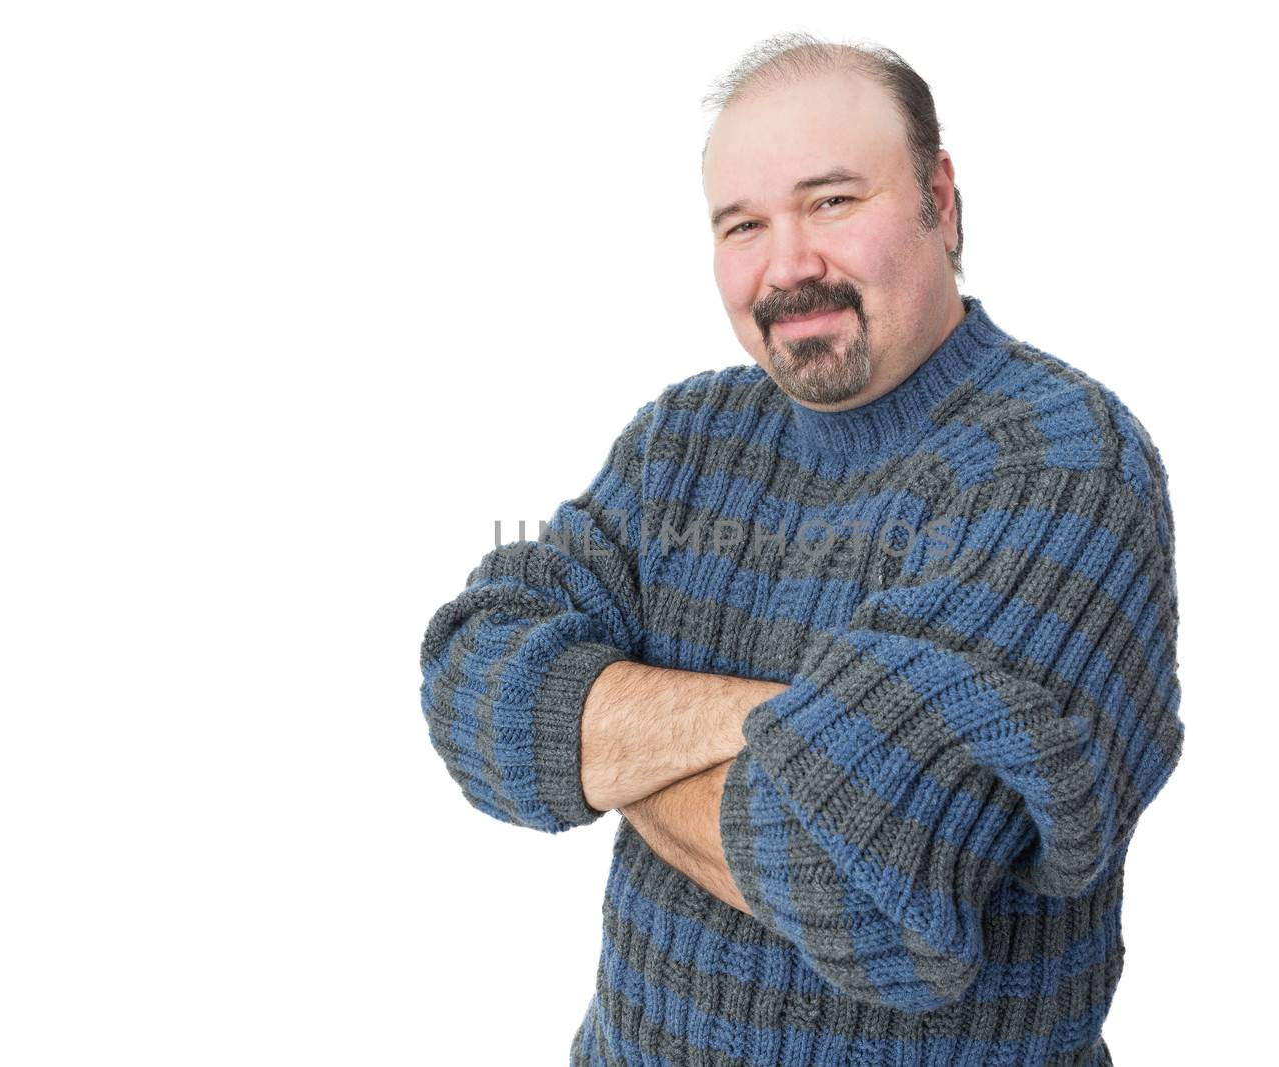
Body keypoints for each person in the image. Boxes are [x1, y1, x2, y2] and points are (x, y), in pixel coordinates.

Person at [419, 32, 1183, 1067]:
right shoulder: (682, 442)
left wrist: (601, 739)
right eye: (743, 224)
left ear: (938, 200)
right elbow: (475, 677)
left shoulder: (1063, 469)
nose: (787, 266)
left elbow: (863, 882)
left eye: (831, 201)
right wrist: (793, 724)